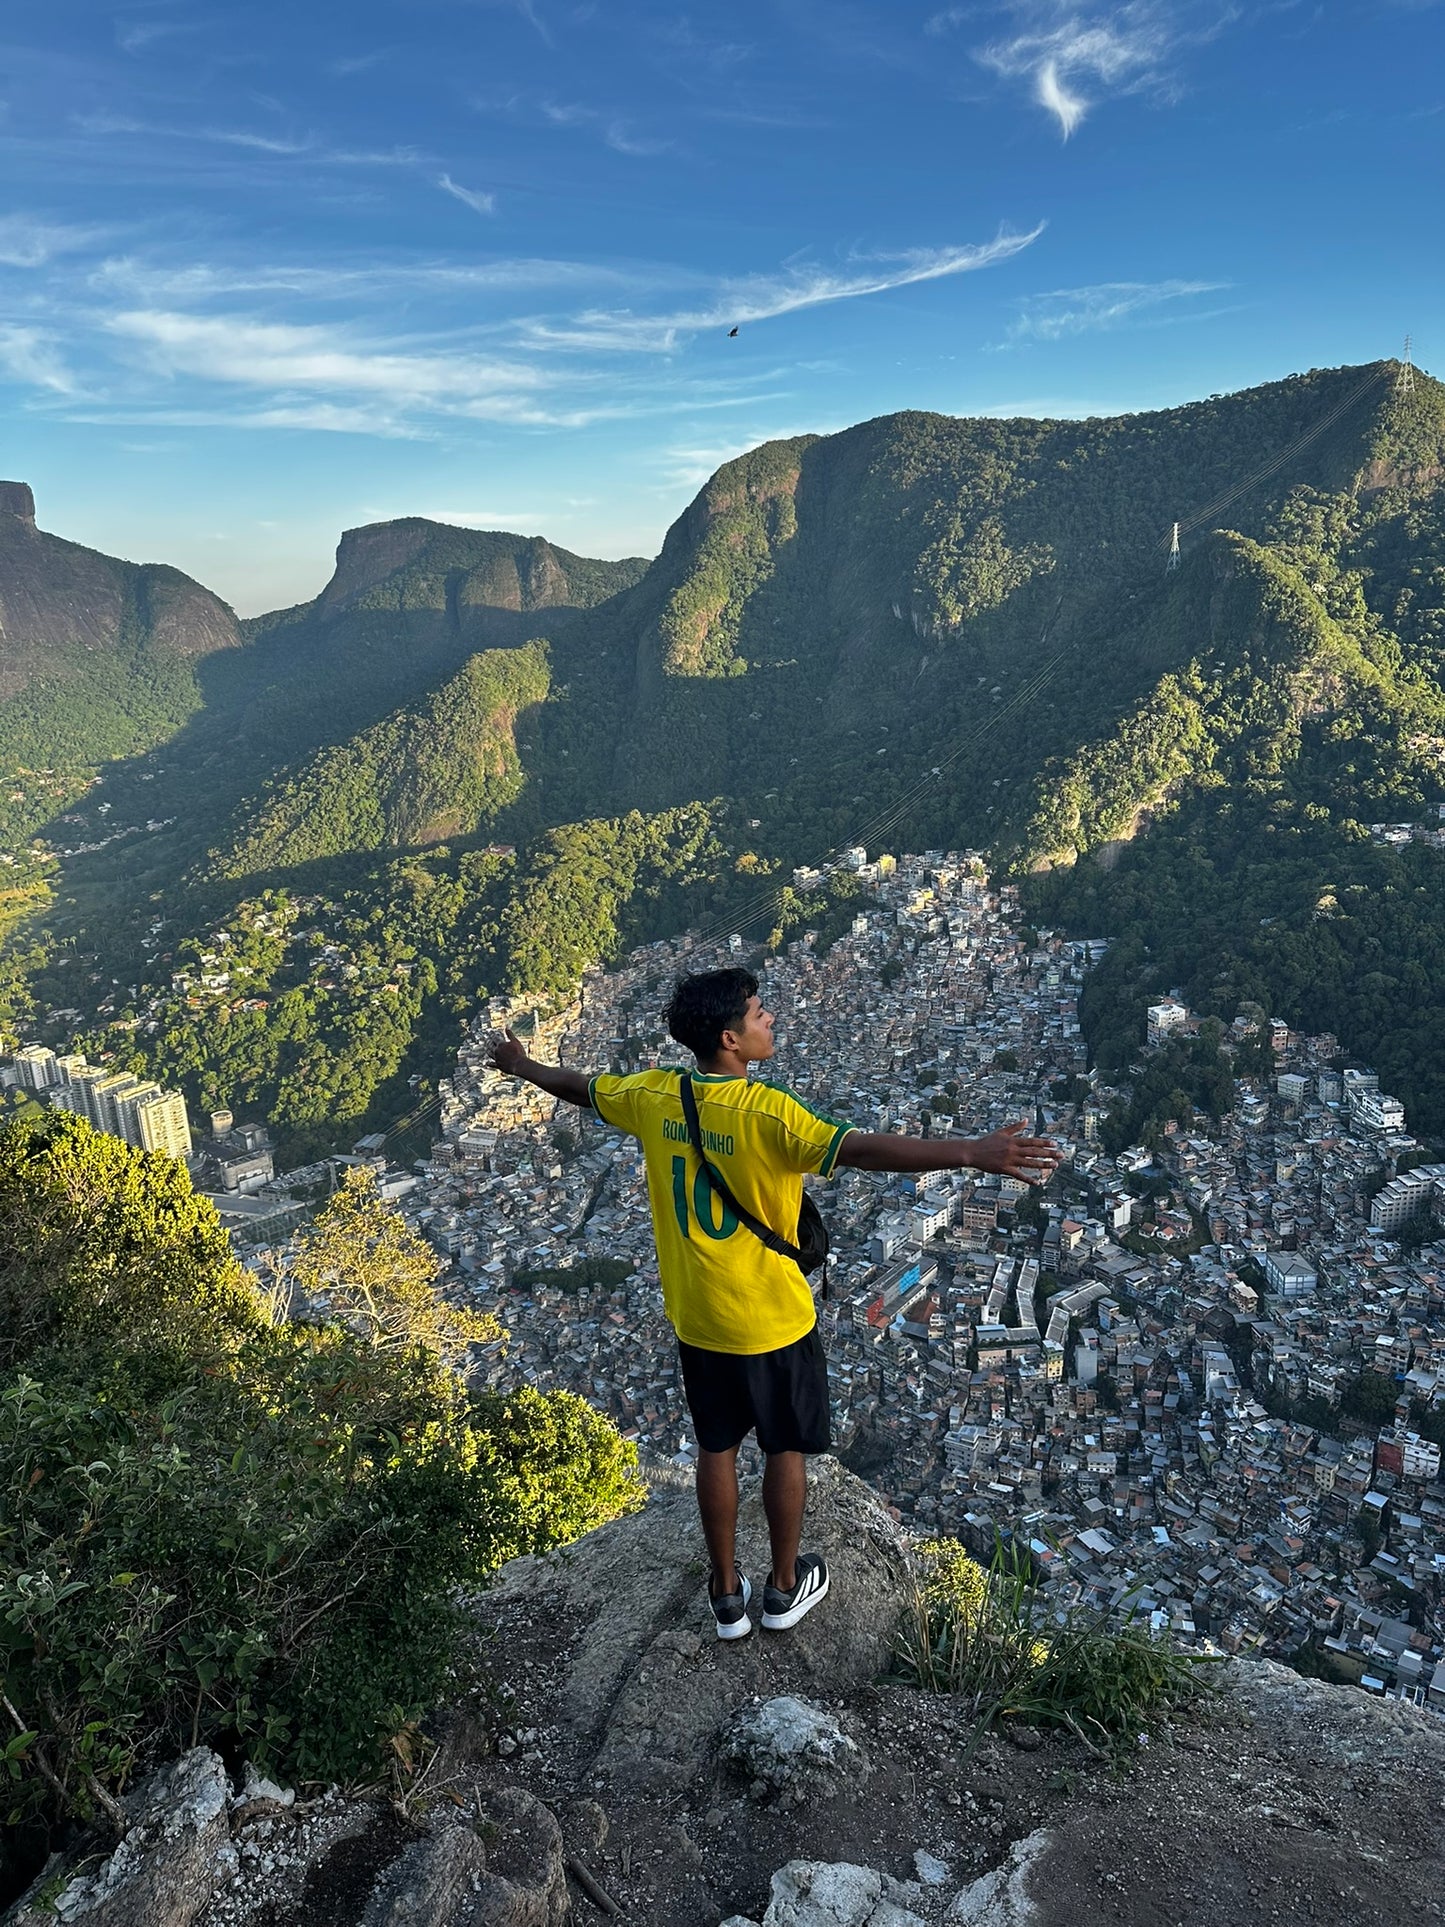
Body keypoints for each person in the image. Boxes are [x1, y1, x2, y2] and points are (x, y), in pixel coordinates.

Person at [486, 966, 1059, 1641]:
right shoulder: (768, 1112)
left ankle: (726, 1593)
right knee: (785, 1449)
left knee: (716, 1446)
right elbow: (861, 1148)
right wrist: (968, 1151)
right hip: (773, 1318)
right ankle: (784, 1587)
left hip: (697, 1316)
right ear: (730, 1038)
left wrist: (521, 1064)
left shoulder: (653, 1093)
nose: (771, 1020)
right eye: (759, 1014)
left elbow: (578, 1088)